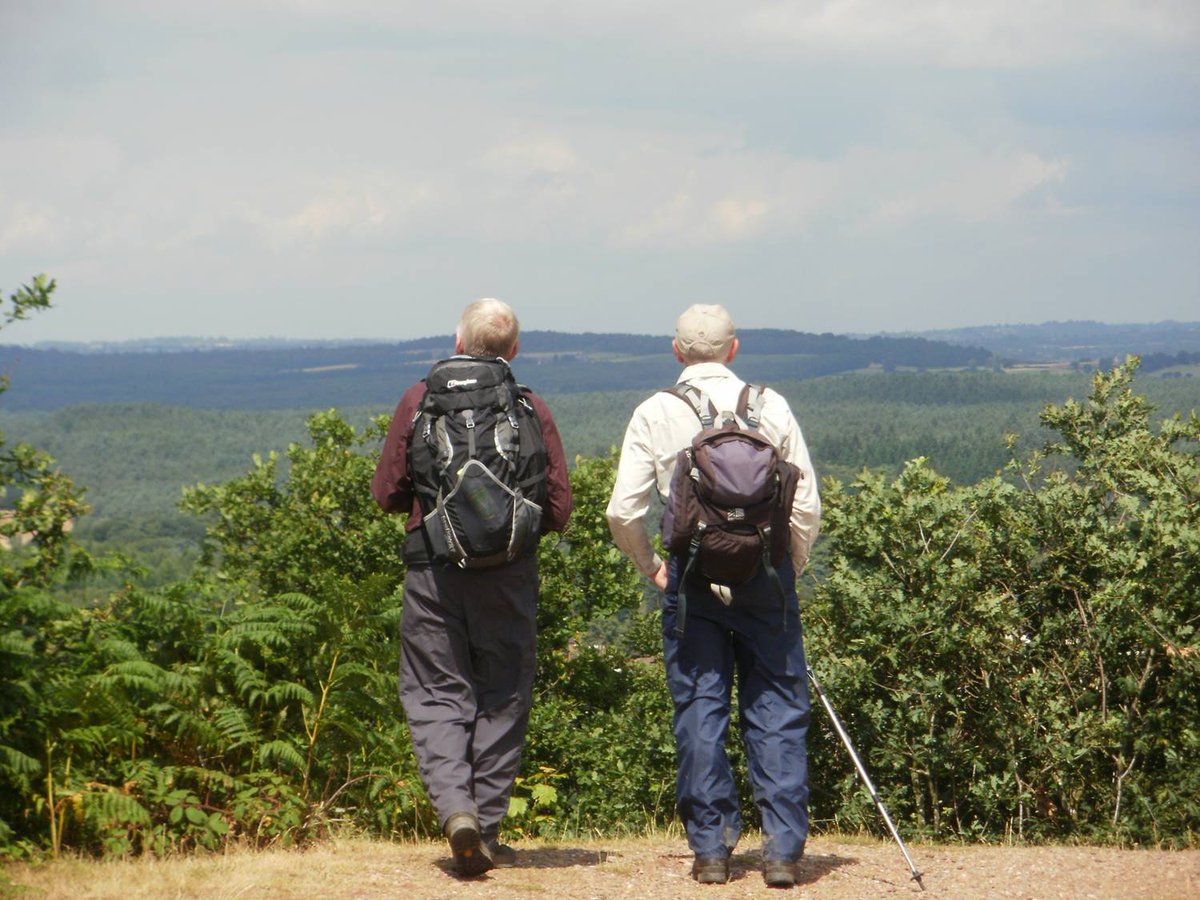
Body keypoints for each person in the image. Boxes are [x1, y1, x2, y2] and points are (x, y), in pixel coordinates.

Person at [606, 304, 821, 888]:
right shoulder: (769, 405)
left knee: (701, 709)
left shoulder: (656, 410)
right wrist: (786, 567)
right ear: (734, 348)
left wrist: (652, 566)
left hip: (692, 579)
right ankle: (781, 851)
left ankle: (712, 851)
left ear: (677, 351)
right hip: (766, 581)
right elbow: (806, 505)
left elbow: (623, 510)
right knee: (777, 709)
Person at [372, 298, 572, 877]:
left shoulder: (418, 399)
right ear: (512, 351)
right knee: (504, 693)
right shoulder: (528, 405)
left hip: (432, 569)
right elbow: (558, 508)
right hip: (509, 573)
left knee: (436, 692)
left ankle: (456, 811)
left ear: (458, 344)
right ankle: (484, 825)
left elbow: (387, 493)